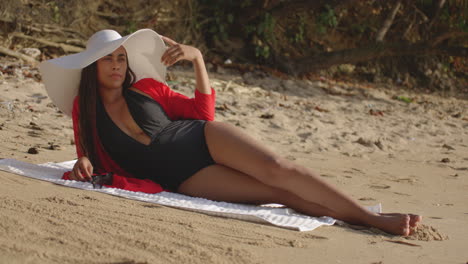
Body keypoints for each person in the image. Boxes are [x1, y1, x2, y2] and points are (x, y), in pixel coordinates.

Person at [39, 29, 421, 236]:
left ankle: (372, 219)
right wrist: (84, 162)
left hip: (198, 137)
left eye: (121, 58)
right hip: (182, 178)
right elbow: (84, 153)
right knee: (274, 194)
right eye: (109, 59)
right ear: (93, 66)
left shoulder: (146, 89)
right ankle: (356, 219)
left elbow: (203, 112)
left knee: (277, 168)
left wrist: (199, 60)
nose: (117, 65)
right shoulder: (83, 109)